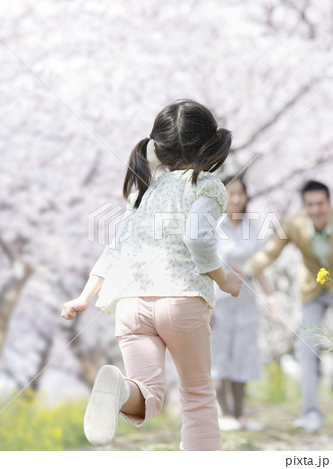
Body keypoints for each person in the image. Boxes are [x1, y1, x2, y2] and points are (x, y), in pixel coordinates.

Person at [60, 99, 242, 451]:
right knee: (198, 394)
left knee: (148, 394)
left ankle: (121, 391)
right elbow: (196, 237)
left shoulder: (142, 190)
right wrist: (224, 278)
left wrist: (84, 297)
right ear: (208, 144)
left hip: (130, 302)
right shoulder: (206, 186)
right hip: (181, 300)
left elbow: (115, 247)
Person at [242, 180, 333, 437]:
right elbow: (269, 252)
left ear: (329, 203)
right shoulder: (294, 223)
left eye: (320, 204)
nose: (316, 210)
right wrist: (246, 270)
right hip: (312, 289)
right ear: (304, 206)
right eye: (310, 205)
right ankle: (310, 414)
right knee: (306, 350)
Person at [211, 175, 280, 431]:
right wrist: (206, 305)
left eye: (240, 193)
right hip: (219, 302)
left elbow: (259, 267)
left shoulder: (253, 228)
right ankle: (225, 414)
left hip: (247, 302)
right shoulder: (213, 228)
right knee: (220, 358)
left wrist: (270, 295)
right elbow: (205, 267)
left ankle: (240, 415)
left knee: (243, 355)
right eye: (230, 194)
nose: (236, 199)